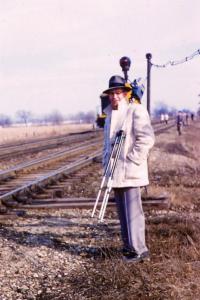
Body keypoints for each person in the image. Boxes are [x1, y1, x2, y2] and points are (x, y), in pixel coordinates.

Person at [102, 75, 155, 262]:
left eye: (118, 93)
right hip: (115, 172)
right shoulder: (109, 115)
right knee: (123, 213)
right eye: (112, 94)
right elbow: (107, 145)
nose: (115, 97)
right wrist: (105, 165)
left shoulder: (135, 110)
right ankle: (128, 248)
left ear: (125, 93)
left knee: (133, 212)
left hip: (130, 170)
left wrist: (132, 160)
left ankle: (140, 250)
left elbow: (146, 139)